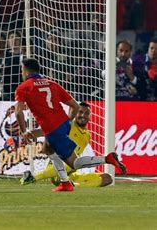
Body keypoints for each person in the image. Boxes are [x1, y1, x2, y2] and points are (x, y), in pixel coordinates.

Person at [15, 58, 126, 192]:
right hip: (63, 124)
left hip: (52, 128)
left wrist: (24, 131)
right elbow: (74, 106)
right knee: (47, 149)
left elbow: (18, 113)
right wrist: (66, 122)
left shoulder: (23, 87)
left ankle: (107, 159)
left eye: (22, 70)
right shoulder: (52, 84)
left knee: (74, 163)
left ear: (26, 71)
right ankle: (65, 182)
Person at [19, 102, 113, 188]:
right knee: (70, 163)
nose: (83, 115)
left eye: (86, 113)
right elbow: (45, 131)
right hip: (57, 169)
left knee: (107, 178)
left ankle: (75, 185)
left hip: (71, 172)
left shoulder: (87, 136)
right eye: (80, 112)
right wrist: (28, 135)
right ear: (75, 113)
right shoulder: (67, 125)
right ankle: (33, 177)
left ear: (90, 117)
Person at [133, 36, 157, 101]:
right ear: (148, 48)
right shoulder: (137, 61)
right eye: (151, 48)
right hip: (140, 97)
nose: (154, 51)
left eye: (156, 49)